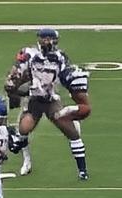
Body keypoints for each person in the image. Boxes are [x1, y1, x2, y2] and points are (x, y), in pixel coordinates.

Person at [5, 27, 91, 179]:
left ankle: (82, 170)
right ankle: (27, 161)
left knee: (72, 133)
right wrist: (14, 82)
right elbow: (17, 70)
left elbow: (66, 75)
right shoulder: (29, 53)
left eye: (50, 38)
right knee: (24, 129)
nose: (47, 41)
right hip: (34, 99)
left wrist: (75, 83)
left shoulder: (60, 57)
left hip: (51, 99)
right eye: (44, 38)